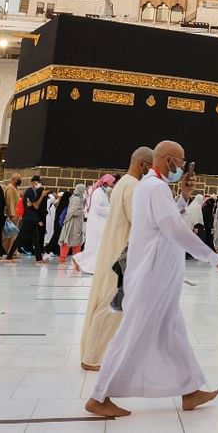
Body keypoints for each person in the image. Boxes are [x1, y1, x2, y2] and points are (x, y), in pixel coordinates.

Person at [85, 141, 218, 418]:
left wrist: (184, 196)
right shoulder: (155, 187)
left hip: (159, 276)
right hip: (152, 277)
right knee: (130, 334)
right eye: (181, 162)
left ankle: (191, 390)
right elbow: (174, 228)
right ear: (167, 160)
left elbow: (166, 219)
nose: (183, 168)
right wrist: (213, 257)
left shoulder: (153, 188)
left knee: (173, 333)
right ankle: (98, 396)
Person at [80, 147, 152, 372]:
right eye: (150, 167)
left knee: (114, 303)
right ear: (142, 164)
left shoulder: (123, 184)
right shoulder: (132, 186)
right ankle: (93, 358)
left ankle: (102, 353)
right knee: (111, 305)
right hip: (121, 255)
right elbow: (140, 221)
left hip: (114, 251)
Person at [74, 174, 116, 273]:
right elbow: (97, 208)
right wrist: (112, 209)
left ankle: (82, 261)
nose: (112, 186)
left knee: (96, 247)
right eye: (111, 184)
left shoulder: (102, 193)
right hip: (96, 224)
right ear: (105, 183)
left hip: (100, 223)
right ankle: (83, 263)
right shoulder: (98, 193)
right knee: (94, 246)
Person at [7, 175, 48, 263]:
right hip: (29, 218)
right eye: (37, 182)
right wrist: (42, 196)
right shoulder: (30, 191)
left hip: (33, 218)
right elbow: (36, 206)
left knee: (35, 239)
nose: (39, 184)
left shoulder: (34, 192)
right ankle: (9, 255)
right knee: (20, 237)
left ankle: (38, 258)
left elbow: (34, 205)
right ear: (33, 182)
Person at [59, 184, 87, 264]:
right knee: (68, 240)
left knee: (77, 241)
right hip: (72, 223)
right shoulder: (76, 199)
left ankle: (76, 259)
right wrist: (82, 212)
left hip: (77, 223)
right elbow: (72, 211)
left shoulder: (79, 198)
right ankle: (63, 258)